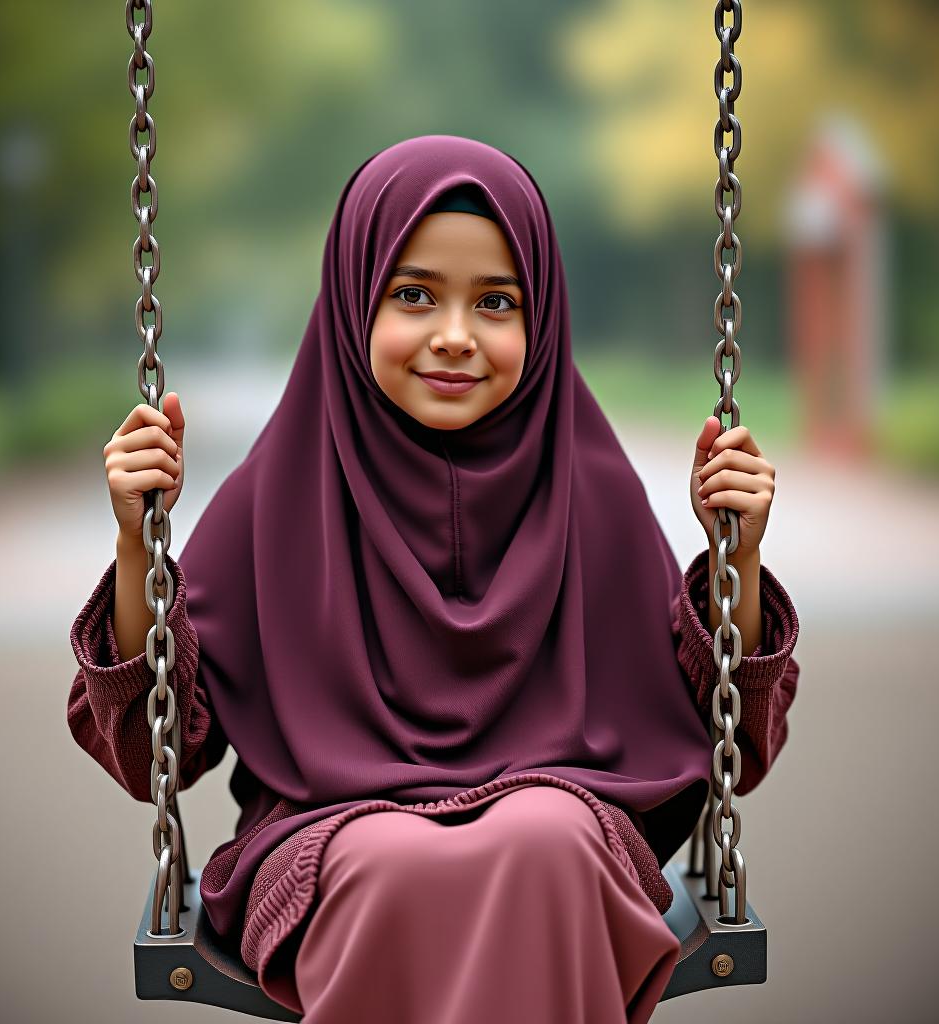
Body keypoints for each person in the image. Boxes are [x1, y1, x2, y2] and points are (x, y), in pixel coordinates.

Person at [68, 134, 800, 1023]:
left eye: (497, 302)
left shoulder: (589, 486)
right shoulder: (279, 494)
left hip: (566, 812)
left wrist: (740, 559)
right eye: (413, 295)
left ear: (542, 321)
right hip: (329, 831)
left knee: (549, 840)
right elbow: (155, 754)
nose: (455, 338)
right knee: (389, 861)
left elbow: (729, 739)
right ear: (351, 302)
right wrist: (137, 544)